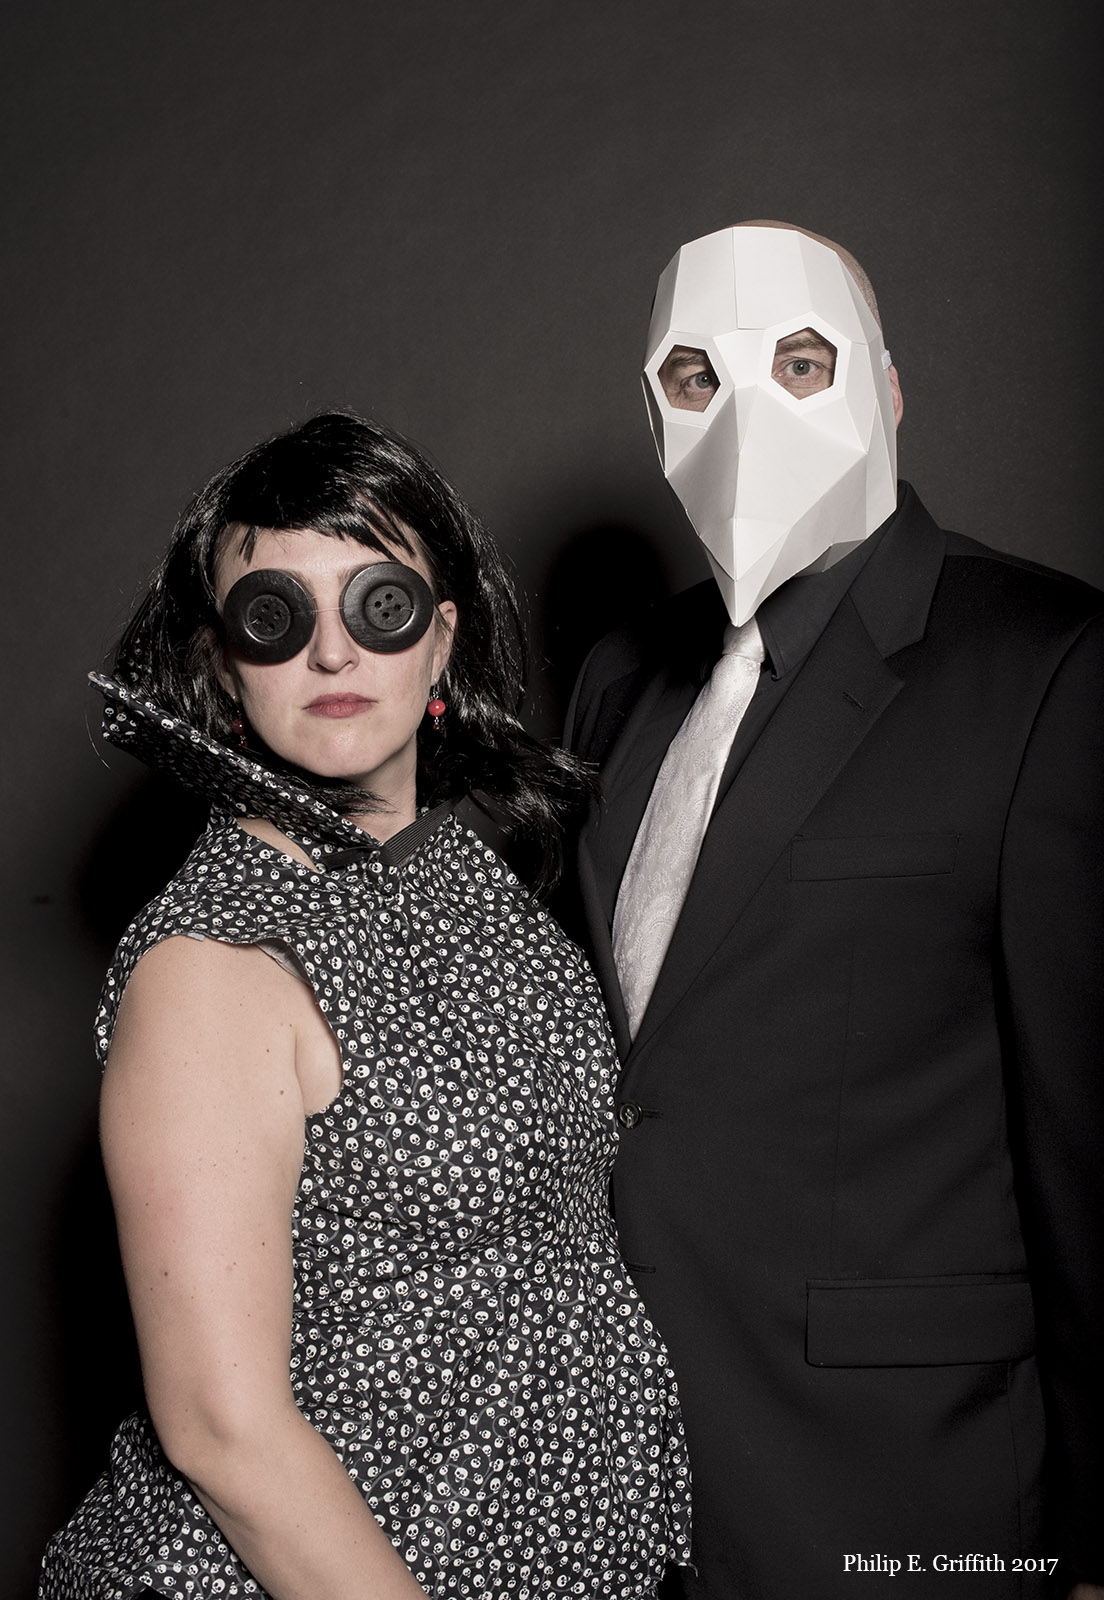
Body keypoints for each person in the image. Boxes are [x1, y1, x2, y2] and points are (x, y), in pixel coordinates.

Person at [41, 412, 690, 1600]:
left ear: (441, 639)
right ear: (224, 666)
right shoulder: (215, 964)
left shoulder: (471, 882)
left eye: (377, 605)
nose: (333, 653)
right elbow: (223, 1429)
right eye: (276, 618)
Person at [564, 222, 1104, 1599]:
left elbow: (1089, 1132)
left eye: (800, 363)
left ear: (889, 386)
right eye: (696, 377)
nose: (748, 415)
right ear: (652, 409)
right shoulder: (619, 678)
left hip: (904, 1477)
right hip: (617, 1465)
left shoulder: (1048, 665)